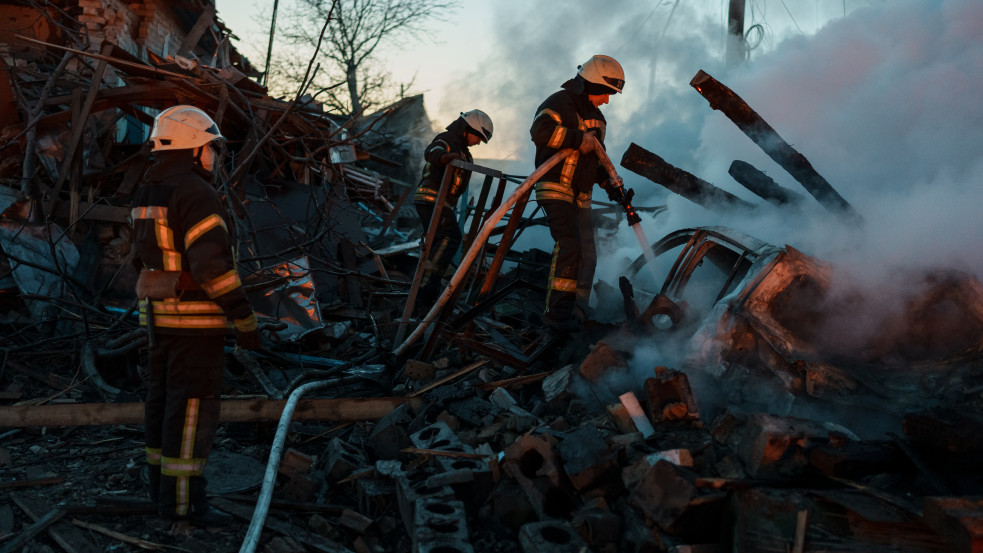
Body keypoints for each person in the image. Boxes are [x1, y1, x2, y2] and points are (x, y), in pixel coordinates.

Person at [131, 105, 261, 528]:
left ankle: (160, 494)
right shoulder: (196, 192)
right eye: (212, 147)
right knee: (190, 412)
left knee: (163, 404)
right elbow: (213, 270)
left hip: (156, 320)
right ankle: (184, 507)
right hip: (195, 323)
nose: (215, 157)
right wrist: (244, 319)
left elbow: (143, 259)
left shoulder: (148, 189)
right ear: (193, 147)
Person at [530, 54, 625, 336]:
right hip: (555, 187)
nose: (607, 100)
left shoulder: (598, 117)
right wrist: (575, 139)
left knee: (589, 254)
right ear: (592, 84)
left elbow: (596, 160)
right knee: (570, 245)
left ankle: (577, 311)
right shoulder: (560, 103)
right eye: (606, 93)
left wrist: (611, 186)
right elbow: (541, 132)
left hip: (580, 195)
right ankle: (557, 317)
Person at [412, 109, 493, 314]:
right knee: (451, 236)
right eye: (478, 137)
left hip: (441, 202)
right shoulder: (447, 139)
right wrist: (445, 157)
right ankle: (425, 290)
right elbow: (432, 151)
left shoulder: (465, 153)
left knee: (439, 242)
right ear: (467, 129)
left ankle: (429, 290)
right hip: (431, 198)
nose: (478, 143)